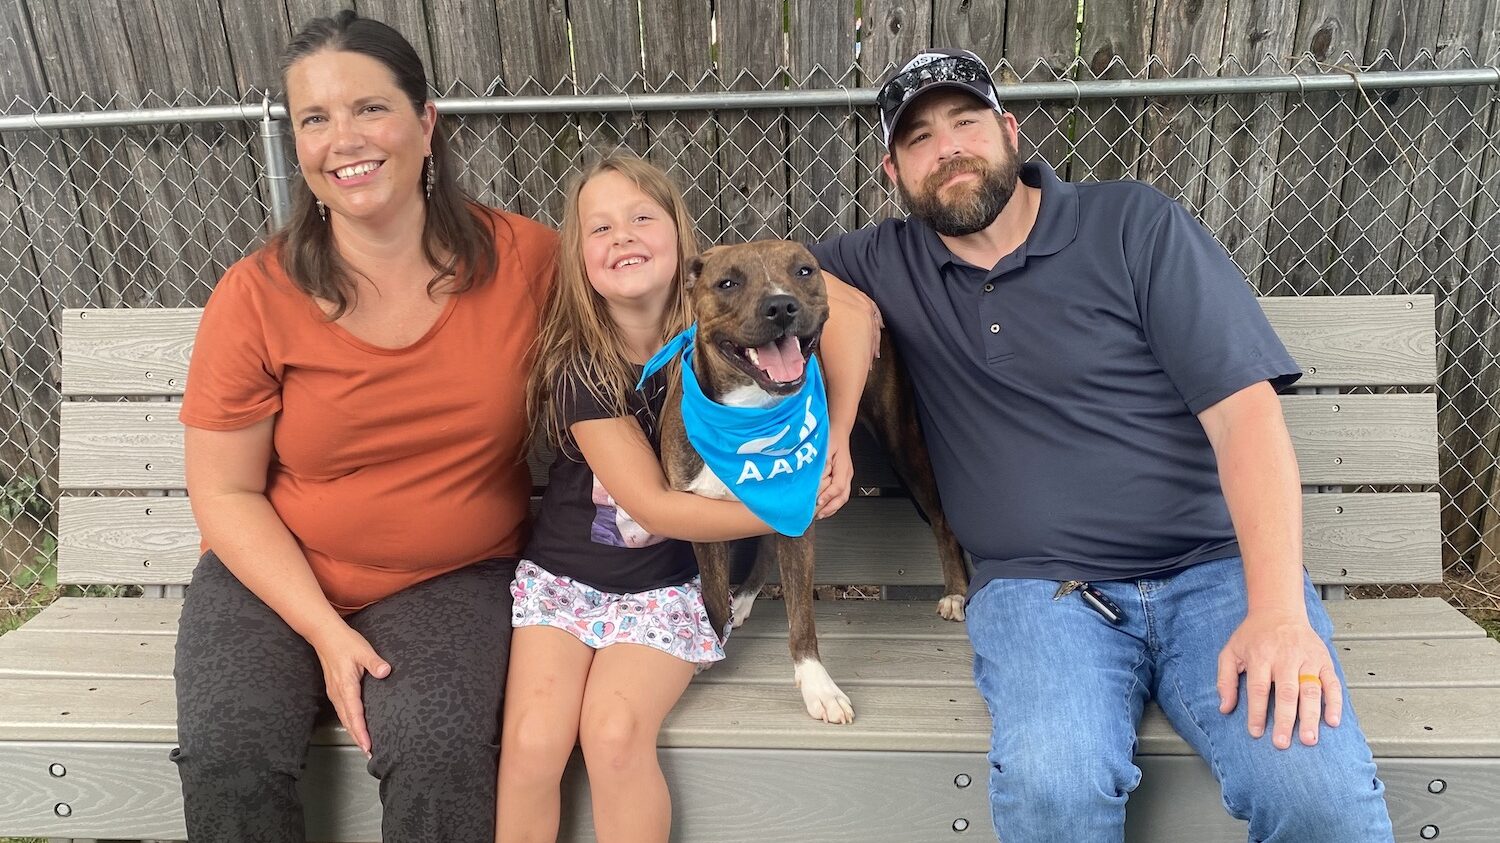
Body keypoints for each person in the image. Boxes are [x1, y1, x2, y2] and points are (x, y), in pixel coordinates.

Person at [807, 49, 1395, 842]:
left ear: (1010, 131)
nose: (946, 147)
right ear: (893, 171)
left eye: (966, 121)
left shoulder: (1132, 223)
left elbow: (1245, 418)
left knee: (1315, 794)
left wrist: (1280, 610)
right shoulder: (883, 261)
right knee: (1055, 788)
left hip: (1216, 574)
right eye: (918, 137)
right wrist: (840, 415)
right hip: (1041, 593)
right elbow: (767, 283)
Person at [171, 12, 557, 841]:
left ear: (426, 125)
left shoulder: (527, 260)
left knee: (441, 749)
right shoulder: (256, 294)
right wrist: (322, 629)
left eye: (369, 109)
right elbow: (225, 489)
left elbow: (668, 292)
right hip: (271, 576)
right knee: (230, 752)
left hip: (453, 573)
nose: (342, 139)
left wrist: (840, 310)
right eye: (314, 118)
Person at [495, 153, 875, 843]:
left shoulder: (732, 305)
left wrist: (839, 439)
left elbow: (856, 311)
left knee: (613, 733)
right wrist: (792, 501)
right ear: (579, 255)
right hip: (565, 582)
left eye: (643, 217)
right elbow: (657, 506)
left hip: (673, 587)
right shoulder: (584, 364)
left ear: (682, 244)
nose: (624, 235)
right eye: (600, 227)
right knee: (529, 741)